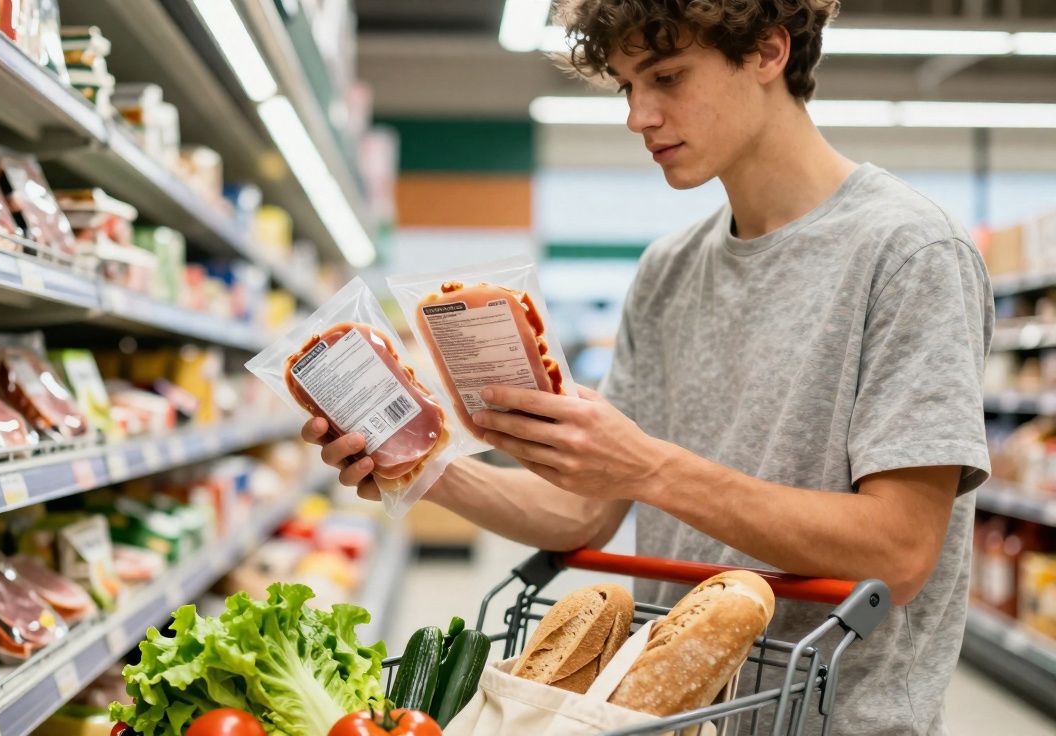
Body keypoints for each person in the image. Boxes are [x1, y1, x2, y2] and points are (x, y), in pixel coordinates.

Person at [304, 1, 991, 733]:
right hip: (673, 716)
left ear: (767, 52)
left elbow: (900, 549)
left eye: (666, 77)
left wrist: (649, 467)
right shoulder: (668, 270)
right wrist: (423, 470)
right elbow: (584, 515)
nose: (638, 115)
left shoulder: (910, 252)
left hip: (828, 716)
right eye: (628, 86)